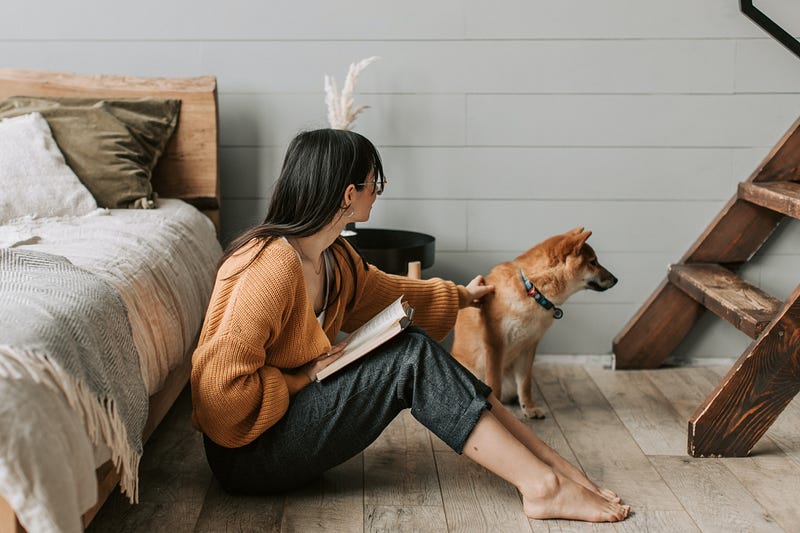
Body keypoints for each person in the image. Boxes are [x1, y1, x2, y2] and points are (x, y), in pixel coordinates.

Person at [190, 128, 631, 523]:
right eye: (373, 184)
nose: (376, 194)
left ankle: (551, 468)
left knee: (410, 340)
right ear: (349, 194)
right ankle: (543, 488)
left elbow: (392, 293)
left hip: (282, 432)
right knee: (409, 358)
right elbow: (219, 401)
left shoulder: (334, 259)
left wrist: (464, 296)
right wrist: (302, 377)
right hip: (247, 456)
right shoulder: (267, 268)